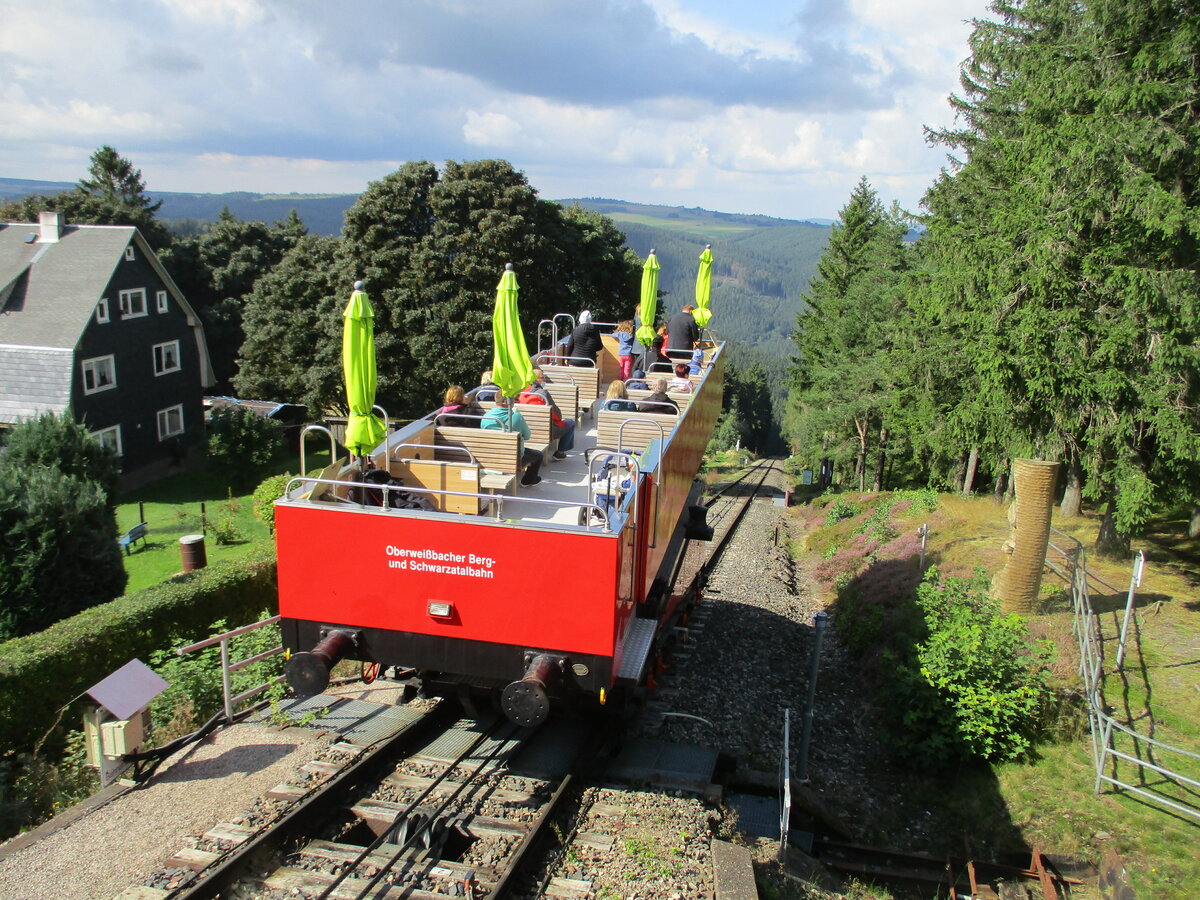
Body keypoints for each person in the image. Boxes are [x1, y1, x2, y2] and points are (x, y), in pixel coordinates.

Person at [480, 395, 543, 486]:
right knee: (538, 455)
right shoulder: (516, 416)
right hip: (513, 458)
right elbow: (527, 436)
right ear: (507, 401)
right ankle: (528, 480)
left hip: (491, 456)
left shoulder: (486, 416)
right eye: (513, 399)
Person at [519, 376, 575, 459]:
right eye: (542, 377)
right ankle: (560, 453)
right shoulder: (542, 394)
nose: (544, 379)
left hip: (524, 430)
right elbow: (557, 415)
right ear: (535, 379)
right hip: (545, 430)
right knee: (571, 422)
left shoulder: (520, 393)